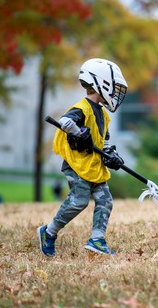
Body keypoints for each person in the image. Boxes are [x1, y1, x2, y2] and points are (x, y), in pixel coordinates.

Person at [37, 58, 128, 257]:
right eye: (113, 87)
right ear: (101, 83)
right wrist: (80, 133)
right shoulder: (82, 107)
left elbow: (103, 140)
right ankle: (49, 233)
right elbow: (65, 122)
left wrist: (111, 155)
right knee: (79, 201)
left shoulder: (103, 115)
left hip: (93, 165)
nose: (114, 93)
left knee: (105, 201)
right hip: (77, 165)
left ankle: (97, 240)